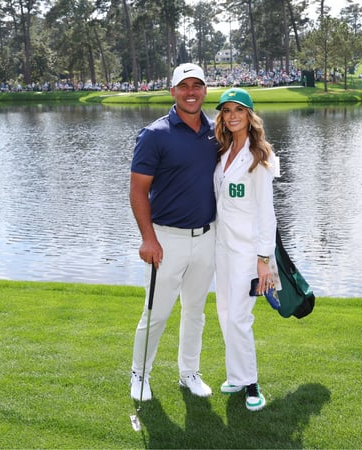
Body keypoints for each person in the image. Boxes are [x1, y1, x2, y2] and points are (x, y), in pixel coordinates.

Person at [128, 63, 218, 401]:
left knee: (196, 311)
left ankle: (189, 373)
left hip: (206, 238)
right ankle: (140, 374)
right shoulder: (155, 134)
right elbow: (138, 191)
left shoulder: (215, 132)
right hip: (166, 240)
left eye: (197, 85)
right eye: (184, 86)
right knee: (156, 312)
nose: (191, 92)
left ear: (205, 91)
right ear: (173, 92)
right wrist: (147, 238)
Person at [213, 88, 279, 412]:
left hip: (248, 254)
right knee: (225, 313)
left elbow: (267, 213)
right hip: (222, 249)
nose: (232, 116)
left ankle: (252, 383)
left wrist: (263, 259)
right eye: (227, 110)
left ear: (249, 116)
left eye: (239, 110)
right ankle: (236, 376)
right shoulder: (222, 152)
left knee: (240, 317)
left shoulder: (259, 157)